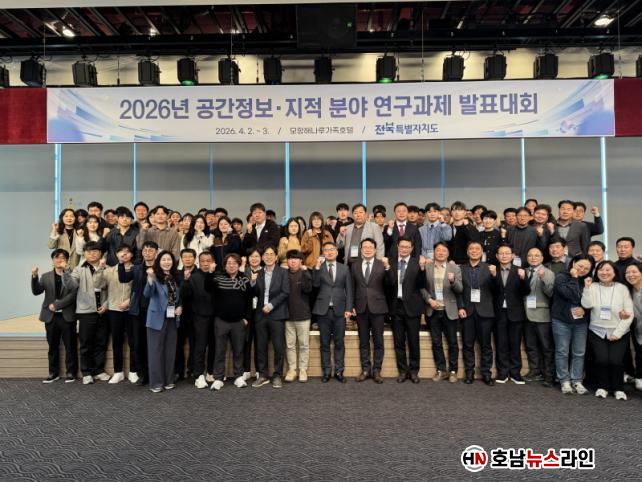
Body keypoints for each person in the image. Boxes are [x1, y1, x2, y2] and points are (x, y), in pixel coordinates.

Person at [581, 260, 634, 400]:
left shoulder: (622, 288)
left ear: (614, 272)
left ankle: (618, 389)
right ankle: (602, 387)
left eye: (608, 270)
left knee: (616, 361)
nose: (604, 272)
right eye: (601, 270)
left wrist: (618, 333)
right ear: (596, 272)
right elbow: (587, 304)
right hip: (597, 331)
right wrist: (587, 288)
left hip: (619, 331)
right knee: (601, 360)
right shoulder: (592, 286)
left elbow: (629, 314)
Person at [63, 241, 109, 385]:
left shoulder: (108, 268)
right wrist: (66, 272)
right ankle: (87, 372)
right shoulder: (78, 269)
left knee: (101, 342)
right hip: (85, 311)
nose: (92, 254)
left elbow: (113, 290)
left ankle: (99, 370)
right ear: (84, 253)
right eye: (88, 251)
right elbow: (71, 286)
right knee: (86, 344)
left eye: (95, 251)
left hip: (103, 311)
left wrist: (106, 305)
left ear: (100, 253)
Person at [31, 249, 79, 383]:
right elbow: (36, 291)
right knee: (52, 346)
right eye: (57, 257)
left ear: (67, 260)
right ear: (53, 260)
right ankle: (53, 373)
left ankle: (71, 372)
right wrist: (34, 276)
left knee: (70, 346)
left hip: (67, 315)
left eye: (63, 258)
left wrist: (57, 305)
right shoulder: (46, 276)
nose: (60, 260)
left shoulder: (73, 275)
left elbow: (73, 293)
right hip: (50, 316)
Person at [207, 253, 253, 391]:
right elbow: (207, 288)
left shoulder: (244, 279)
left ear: (239, 265)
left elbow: (249, 300)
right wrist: (210, 273)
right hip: (221, 321)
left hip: (239, 322)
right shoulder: (218, 278)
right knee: (219, 351)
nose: (231, 265)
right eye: (229, 263)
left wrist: (246, 318)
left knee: (238, 350)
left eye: (234, 263)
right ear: (225, 265)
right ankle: (218, 378)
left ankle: (238, 376)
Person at [551, 253, 594, 395]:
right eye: (580, 266)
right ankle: (564, 380)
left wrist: (585, 310)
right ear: (574, 262)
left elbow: (593, 302)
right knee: (562, 351)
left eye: (586, 268)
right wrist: (574, 278)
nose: (582, 270)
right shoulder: (561, 277)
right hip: (561, 320)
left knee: (579, 352)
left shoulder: (589, 280)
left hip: (580, 322)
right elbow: (572, 295)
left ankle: (577, 380)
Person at [351, 238, 393, 383]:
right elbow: (352, 287)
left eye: (370, 247)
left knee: (378, 341)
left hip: (378, 308)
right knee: (363, 341)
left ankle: (376, 371)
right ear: (361, 250)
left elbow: (391, 283)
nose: (367, 249)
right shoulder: (355, 265)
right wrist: (351, 306)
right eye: (365, 247)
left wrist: (388, 268)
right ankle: (365, 369)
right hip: (360, 308)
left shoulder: (382, 264)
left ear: (375, 250)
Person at [118, 240, 159, 386]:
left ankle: (155, 373)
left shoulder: (160, 268)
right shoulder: (136, 268)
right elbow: (123, 278)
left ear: (156, 253)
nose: (147, 253)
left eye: (151, 250)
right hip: (138, 311)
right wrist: (121, 263)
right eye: (145, 250)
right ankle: (143, 374)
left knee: (153, 344)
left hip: (155, 311)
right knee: (138, 344)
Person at [94, 245, 135, 384]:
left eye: (127, 252)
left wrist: (129, 302)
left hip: (131, 311)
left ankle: (133, 371)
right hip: (114, 310)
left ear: (131, 255)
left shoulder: (136, 270)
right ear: (117, 255)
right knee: (117, 342)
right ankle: (118, 372)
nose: (124, 254)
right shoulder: (109, 270)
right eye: (121, 252)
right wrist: (100, 268)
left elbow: (139, 291)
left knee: (133, 342)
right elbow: (97, 284)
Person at [312, 242, 353, 383]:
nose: (329, 252)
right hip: (323, 311)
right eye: (326, 250)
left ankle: (339, 371)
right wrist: (317, 267)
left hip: (340, 311)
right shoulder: (319, 268)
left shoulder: (344, 268)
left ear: (337, 252)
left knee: (339, 343)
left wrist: (348, 309)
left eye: (332, 250)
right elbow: (315, 285)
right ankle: (326, 372)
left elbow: (349, 290)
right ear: (323, 253)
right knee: (324, 343)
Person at [422, 241, 462, 383]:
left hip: (449, 310)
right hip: (433, 310)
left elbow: (460, 289)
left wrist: (453, 281)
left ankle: (453, 371)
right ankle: (441, 370)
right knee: (436, 342)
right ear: (434, 252)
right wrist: (429, 300)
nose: (440, 253)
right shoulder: (427, 267)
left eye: (444, 250)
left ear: (448, 253)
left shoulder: (454, 268)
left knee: (452, 343)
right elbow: (421, 287)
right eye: (438, 250)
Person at [250, 246, 290, 388]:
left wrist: (271, 305)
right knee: (261, 346)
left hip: (277, 313)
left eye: (271, 254)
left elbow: (285, 292)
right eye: (266, 254)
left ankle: (277, 375)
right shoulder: (258, 273)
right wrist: (253, 282)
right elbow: (254, 293)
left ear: (276, 257)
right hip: (261, 314)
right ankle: (262, 375)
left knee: (278, 346)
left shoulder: (283, 272)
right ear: (262, 257)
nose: (268, 256)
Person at [388, 236, 426, 383]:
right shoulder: (391, 262)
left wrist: (422, 269)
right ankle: (403, 371)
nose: (404, 249)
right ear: (398, 247)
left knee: (413, 341)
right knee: (399, 342)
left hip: (412, 308)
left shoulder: (417, 263)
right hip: (395, 306)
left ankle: (414, 371)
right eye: (402, 246)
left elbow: (422, 285)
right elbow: (387, 284)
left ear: (412, 248)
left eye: (407, 247)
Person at [144, 251, 183, 393]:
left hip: (172, 318)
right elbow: (147, 294)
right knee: (156, 352)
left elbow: (178, 298)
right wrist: (149, 278)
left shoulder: (175, 277)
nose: (167, 262)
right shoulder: (154, 276)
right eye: (163, 260)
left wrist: (180, 307)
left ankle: (168, 380)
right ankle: (156, 383)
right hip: (156, 319)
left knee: (170, 351)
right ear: (159, 262)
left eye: (169, 259)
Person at [491, 244, 531, 384]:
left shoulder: (519, 270)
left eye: (507, 253)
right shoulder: (493, 270)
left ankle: (515, 373)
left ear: (512, 255)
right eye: (501, 253)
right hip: (499, 313)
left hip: (516, 313)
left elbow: (526, 291)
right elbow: (490, 291)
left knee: (515, 344)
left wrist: (523, 279)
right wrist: (494, 277)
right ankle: (502, 373)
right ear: (497, 256)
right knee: (501, 344)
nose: (504, 256)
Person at [459, 241, 496, 386]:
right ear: (467, 251)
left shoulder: (490, 268)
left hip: (485, 312)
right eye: (471, 249)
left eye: (477, 249)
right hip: (467, 311)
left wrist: (494, 276)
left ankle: (486, 373)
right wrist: (460, 307)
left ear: (482, 252)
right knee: (468, 344)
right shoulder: (461, 268)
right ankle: (469, 373)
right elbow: (458, 291)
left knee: (485, 345)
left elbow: (497, 289)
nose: (474, 251)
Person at [522, 247, 556, 387]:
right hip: (526, 314)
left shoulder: (548, 273)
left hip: (542, 315)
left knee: (546, 347)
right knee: (531, 346)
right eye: (530, 255)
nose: (533, 258)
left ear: (542, 258)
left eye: (537, 255)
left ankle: (549, 375)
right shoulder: (523, 271)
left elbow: (550, 293)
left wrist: (543, 278)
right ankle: (535, 371)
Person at [182, 251, 215, 389]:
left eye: (208, 261)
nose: (206, 264)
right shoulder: (193, 277)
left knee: (214, 345)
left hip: (215, 317)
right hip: (199, 317)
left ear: (213, 262)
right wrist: (185, 281)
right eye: (203, 261)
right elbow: (185, 296)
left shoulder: (217, 276)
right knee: (199, 347)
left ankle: (211, 372)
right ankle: (198, 374)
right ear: (199, 262)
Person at [284, 250, 313, 382]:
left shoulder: (305, 273)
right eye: (290, 259)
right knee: (290, 345)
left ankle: (303, 370)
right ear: (287, 261)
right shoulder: (283, 274)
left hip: (303, 315)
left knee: (303, 345)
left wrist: (306, 272)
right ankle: (292, 369)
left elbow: (308, 289)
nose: (293, 261)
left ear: (301, 261)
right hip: (287, 316)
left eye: (296, 259)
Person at [175, 249, 197, 381]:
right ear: (181, 259)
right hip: (180, 314)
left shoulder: (199, 273)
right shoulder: (177, 274)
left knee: (194, 343)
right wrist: (185, 280)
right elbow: (178, 294)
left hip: (195, 314)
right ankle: (178, 371)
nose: (187, 259)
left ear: (195, 258)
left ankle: (192, 370)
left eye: (190, 256)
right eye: (185, 257)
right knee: (178, 343)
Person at [242, 249, 262, 379]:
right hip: (247, 311)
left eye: (257, 256)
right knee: (246, 341)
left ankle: (260, 370)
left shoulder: (265, 271)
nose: (254, 259)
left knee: (260, 341)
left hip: (261, 311)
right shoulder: (243, 271)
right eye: (251, 256)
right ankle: (246, 370)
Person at [624, 263, 642, 391]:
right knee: (639, 354)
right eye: (628, 272)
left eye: (634, 272)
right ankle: (639, 377)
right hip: (637, 328)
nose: (631, 275)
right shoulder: (628, 291)